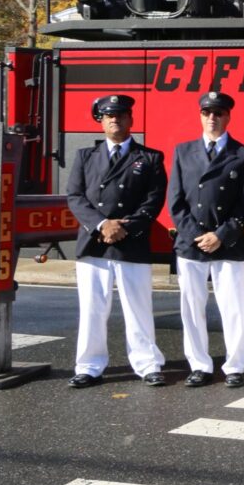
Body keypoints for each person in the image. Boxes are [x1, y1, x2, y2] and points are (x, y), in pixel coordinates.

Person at [65, 94, 168, 388]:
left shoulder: (150, 157)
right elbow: (75, 196)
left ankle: (148, 364)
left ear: (131, 119)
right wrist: (101, 225)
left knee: (138, 307)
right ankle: (88, 366)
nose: (115, 119)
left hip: (130, 241)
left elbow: (153, 200)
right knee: (93, 308)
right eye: (109, 115)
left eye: (121, 115)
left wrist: (125, 226)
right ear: (101, 122)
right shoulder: (85, 156)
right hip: (94, 241)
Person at [167, 91, 244, 388]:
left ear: (228, 116)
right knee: (191, 308)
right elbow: (176, 202)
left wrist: (221, 235)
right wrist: (196, 235)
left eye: (218, 112)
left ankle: (235, 365)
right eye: (207, 112)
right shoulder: (183, 151)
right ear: (200, 115)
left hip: (228, 243)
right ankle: (199, 364)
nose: (212, 118)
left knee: (234, 308)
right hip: (192, 244)